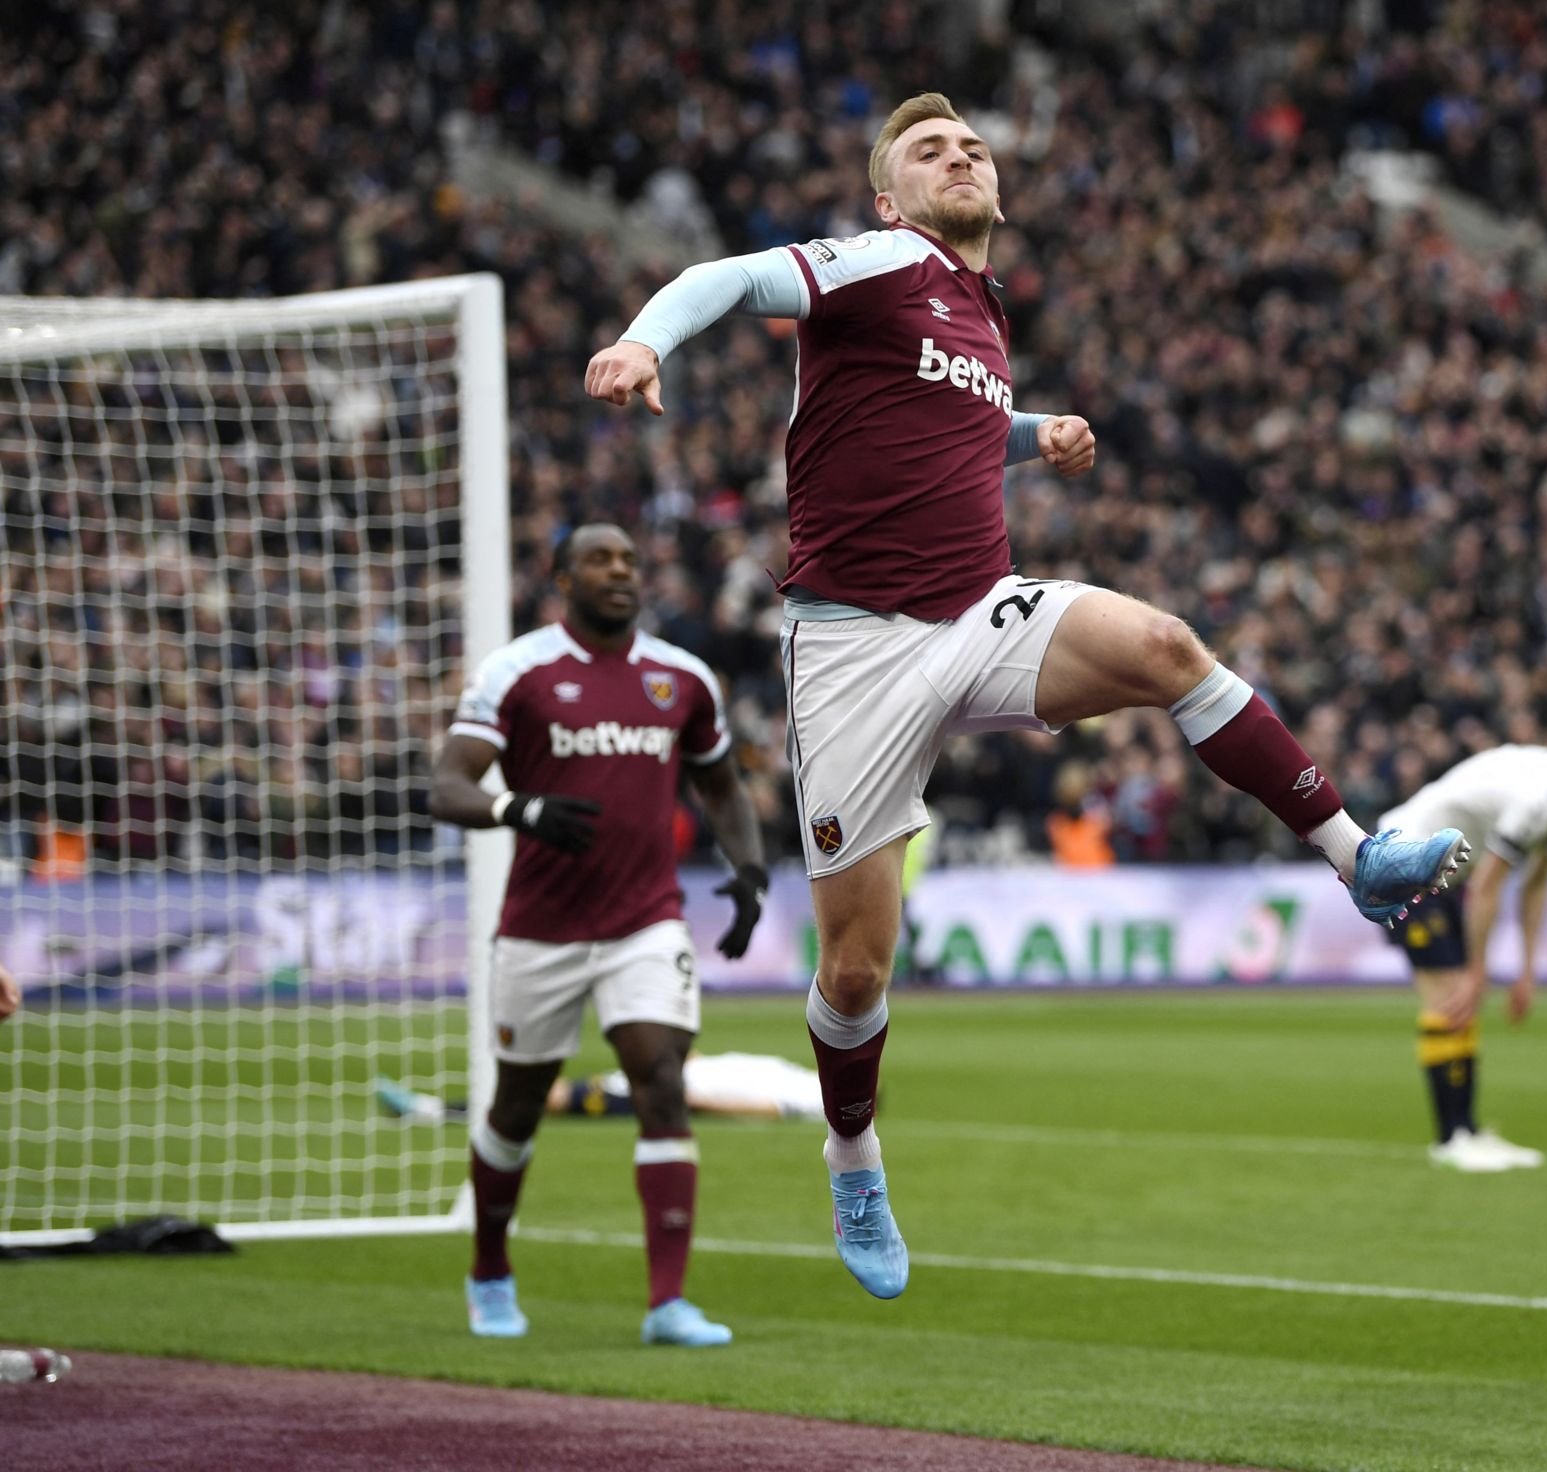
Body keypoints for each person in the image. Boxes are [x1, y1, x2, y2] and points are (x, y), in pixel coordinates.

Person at [585, 92, 1469, 1300]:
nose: (961, 155)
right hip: (851, 650)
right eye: (928, 150)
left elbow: (943, 423)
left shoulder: (977, 314)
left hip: (975, 611)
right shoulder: (879, 262)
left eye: (974, 147)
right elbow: (723, 280)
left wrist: (1029, 427)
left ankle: (1357, 854)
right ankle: (853, 1152)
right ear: (887, 199)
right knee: (853, 973)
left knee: (1162, 643)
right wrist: (646, 339)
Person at [428, 523, 769, 1345]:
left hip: (645, 921)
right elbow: (447, 785)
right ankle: (489, 1272)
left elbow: (718, 786)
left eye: (628, 559)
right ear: (561, 578)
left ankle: (667, 1304)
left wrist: (750, 870)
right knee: (514, 1108)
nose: (619, 570)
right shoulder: (518, 671)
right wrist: (522, 808)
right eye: (598, 560)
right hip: (540, 929)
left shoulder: (681, 679)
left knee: (659, 1078)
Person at [1378, 716, 1547, 1171]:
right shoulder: (1539, 794)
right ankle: (1452, 1138)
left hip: (1442, 875)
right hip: (1401, 860)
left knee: (1459, 999)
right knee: (1450, 997)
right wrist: (1480, 972)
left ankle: (1466, 1132)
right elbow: (1487, 886)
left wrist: (1526, 970)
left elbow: (1535, 886)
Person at [375, 1051, 827, 1125]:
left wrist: (689, 1098)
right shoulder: (802, 1073)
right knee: (542, 1091)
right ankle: (431, 1109)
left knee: (544, 1096)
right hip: (658, 1073)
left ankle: (428, 1111)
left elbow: (762, 1108)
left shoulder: (812, 1099)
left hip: (655, 1093)